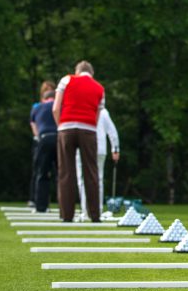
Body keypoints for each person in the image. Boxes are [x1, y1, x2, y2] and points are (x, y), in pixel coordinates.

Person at [53, 61, 105, 222]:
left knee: (66, 173)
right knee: (91, 172)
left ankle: (67, 215)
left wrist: (60, 126)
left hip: (66, 127)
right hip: (88, 129)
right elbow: (97, 115)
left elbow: (55, 108)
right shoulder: (99, 88)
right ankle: (95, 215)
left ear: (77, 71)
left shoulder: (67, 80)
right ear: (92, 73)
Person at [76, 105, 121, 215]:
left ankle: (85, 209)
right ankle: (97, 209)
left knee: (82, 179)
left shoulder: (80, 110)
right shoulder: (103, 112)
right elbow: (112, 131)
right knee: (98, 180)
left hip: (85, 148)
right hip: (100, 149)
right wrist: (115, 148)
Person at [30, 81, 58, 213]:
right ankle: (64, 206)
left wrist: (39, 137)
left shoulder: (37, 107)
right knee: (61, 174)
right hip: (59, 138)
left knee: (42, 174)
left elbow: (34, 126)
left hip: (44, 139)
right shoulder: (59, 105)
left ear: (44, 98)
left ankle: (41, 206)